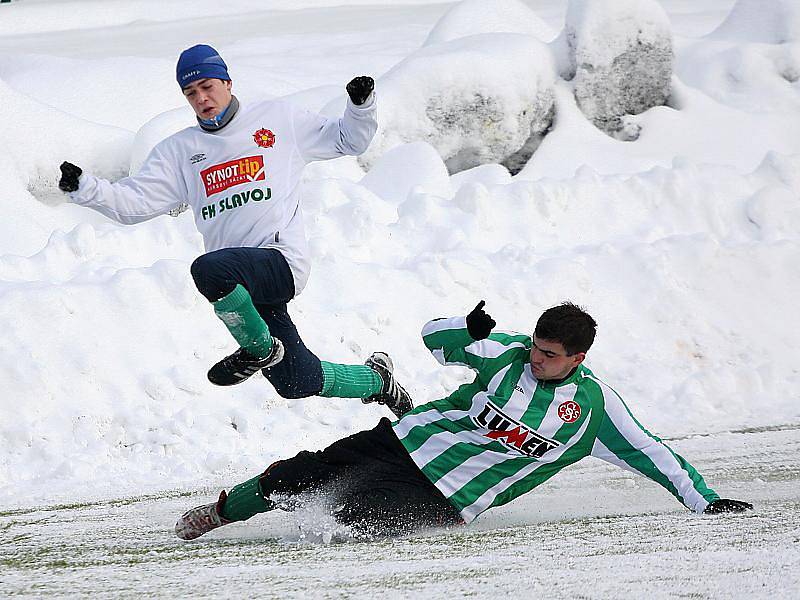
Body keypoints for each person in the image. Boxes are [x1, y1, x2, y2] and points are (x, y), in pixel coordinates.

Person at [175, 301, 753, 540]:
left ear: (578, 359)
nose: (537, 358)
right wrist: (469, 329)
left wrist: (704, 500)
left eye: (551, 354)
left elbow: (652, 453)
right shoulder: (505, 354)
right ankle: (216, 514)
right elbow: (435, 338)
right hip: (404, 441)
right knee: (292, 477)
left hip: (446, 496)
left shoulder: (595, 411)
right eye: (536, 346)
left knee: (351, 521)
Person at [58, 44, 412, 418]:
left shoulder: (278, 119)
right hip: (240, 285)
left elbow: (348, 140)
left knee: (208, 269)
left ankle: (259, 349)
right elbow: (135, 203)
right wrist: (84, 188)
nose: (202, 99)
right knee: (296, 380)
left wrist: (361, 106)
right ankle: (378, 380)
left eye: (208, 86)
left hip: (279, 263)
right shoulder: (180, 151)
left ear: (227, 81)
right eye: (191, 93)